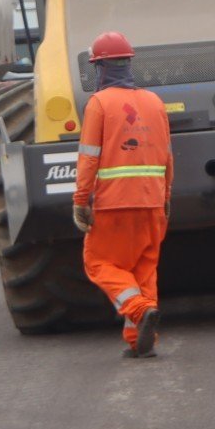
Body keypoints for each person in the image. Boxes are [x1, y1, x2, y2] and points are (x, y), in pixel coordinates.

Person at [73, 31, 174, 358]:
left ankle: (137, 309)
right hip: (152, 202)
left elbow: (89, 157)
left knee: (98, 261)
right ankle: (139, 340)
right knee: (144, 268)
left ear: (100, 68)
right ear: (128, 64)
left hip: (114, 203)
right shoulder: (155, 102)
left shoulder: (99, 103)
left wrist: (80, 201)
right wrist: (166, 196)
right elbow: (167, 156)